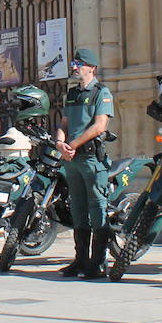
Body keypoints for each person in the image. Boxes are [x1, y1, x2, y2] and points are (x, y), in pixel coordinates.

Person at [55, 48, 116, 279]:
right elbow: (64, 122)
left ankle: (97, 262)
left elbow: (100, 126)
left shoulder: (102, 92)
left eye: (80, 64)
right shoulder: (71, 94)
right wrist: (61, 142)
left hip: (90, 158)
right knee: (78, 209)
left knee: (97, 208)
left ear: (92, 68)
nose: (76, 67)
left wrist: (74, 144)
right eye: (74, 63)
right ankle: (80, 260)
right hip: (72, 158)